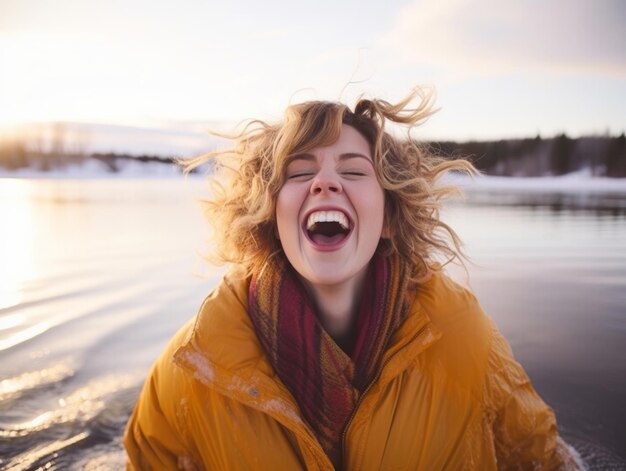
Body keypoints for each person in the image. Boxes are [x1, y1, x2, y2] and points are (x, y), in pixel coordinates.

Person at [124, 89, 584, 470]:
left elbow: (544, 459)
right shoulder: (194, 366)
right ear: (271, 217)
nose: (325, 182)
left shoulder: (465, 341)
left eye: (353, 171)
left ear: (386, 216)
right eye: (301, 171)